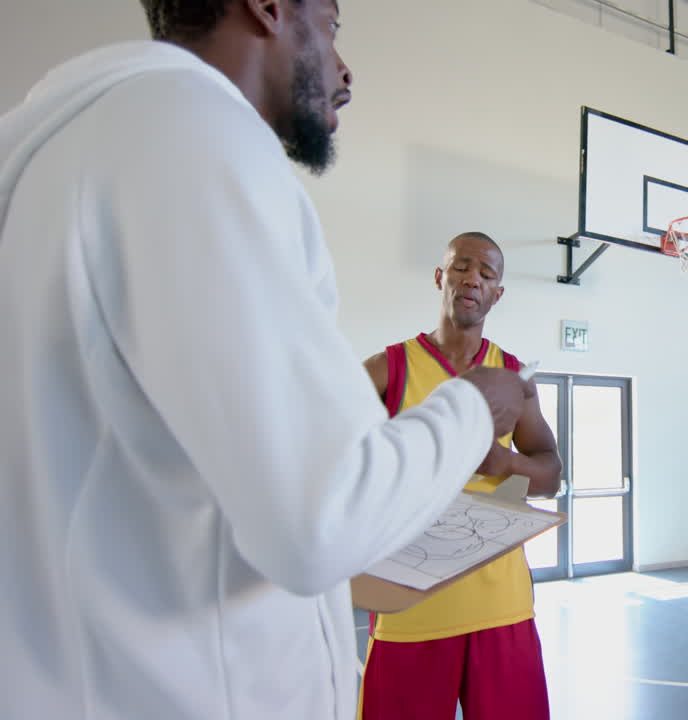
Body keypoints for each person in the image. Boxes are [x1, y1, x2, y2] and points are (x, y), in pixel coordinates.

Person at [0, 2, 529, 718]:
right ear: (270, 7)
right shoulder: (194, 132)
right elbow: (322, 516)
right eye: (332, 24)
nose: (344, 69)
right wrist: (475, 407)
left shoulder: (49, 156)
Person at [353, 232, 561, 720]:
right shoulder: (388, 369)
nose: (473, 280)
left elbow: (551, 474)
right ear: (440, 277)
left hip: (501, 604)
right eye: (462, 267)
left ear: (497, 294)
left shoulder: (513, 376)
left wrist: (506, 463)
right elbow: (334, 464)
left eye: (487, 274)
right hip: (410, 603)